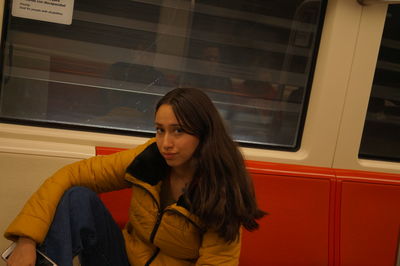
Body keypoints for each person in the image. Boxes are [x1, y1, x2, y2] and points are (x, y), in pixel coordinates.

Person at [4, 88, 266, 266]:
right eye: (160, 130)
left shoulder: (222, 194)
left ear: (204, 133)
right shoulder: (149, 158)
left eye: (178, 131)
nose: (165, 143)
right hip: (122, 258)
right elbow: (72, 175)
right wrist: (28, 240)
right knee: (77, 197)